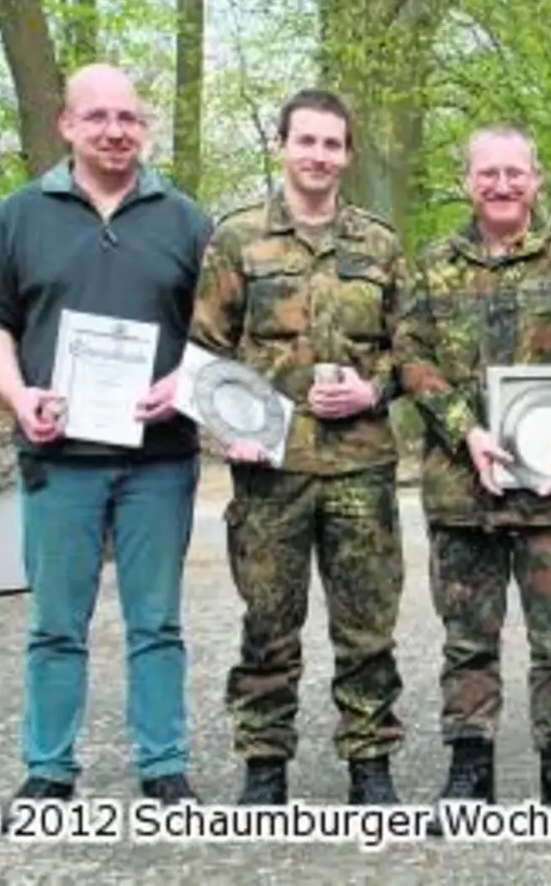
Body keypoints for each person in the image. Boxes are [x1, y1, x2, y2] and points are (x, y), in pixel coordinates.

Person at [0, 63, 213, 805]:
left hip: (159, 461)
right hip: (56, 457)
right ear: (66, 125)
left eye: (129, 118)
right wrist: (17, 393)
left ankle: (164, 763)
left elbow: (223, 333)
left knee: (157, 623)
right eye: (98, 117)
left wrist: (185, 385)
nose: (115, 131)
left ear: (146, 127)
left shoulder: (187, 220)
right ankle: (48, 766)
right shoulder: (18, 215)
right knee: (55, 625)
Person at [157, 89, 410, 806]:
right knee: (268, 623)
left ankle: (369, 763)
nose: (320, 156)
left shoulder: (380, 246)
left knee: (367, 624)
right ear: (283, 145)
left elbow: (412, 350)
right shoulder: (238, 240)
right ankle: (265, 765)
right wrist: (226, 427)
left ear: (348, 155)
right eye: (308, 142)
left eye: (333, 144)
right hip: (269, 471)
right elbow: (204, 349)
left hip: (360, 466)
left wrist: (373, 390)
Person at [393, 124, 551, 823]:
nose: (502, 185)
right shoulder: (434, 264)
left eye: (515, 173)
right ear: (466, 180)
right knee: (467, 639)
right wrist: (464, 429)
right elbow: (410, 355)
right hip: (463, 488)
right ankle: (471, 765)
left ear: (538, 177)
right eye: (487, 173)